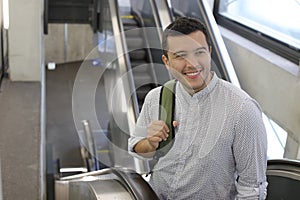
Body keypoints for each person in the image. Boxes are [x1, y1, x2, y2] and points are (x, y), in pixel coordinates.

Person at [128, 17, 268, 199]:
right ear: (166, 61)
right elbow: (137, 147)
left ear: (209, 52)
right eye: (180, 56)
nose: (192, 64)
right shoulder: (157, 98)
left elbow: (252, 188)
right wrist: (150, 143)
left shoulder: (242, 110)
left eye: (199, 52)